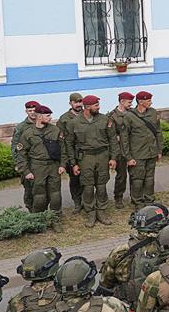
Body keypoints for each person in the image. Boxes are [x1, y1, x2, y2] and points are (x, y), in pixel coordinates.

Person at [64, 95, 119, 227]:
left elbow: (113, 139)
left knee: (101, 186)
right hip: (85, 158)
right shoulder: (74, 123)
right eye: (96, 105)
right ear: (87, 107)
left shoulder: (105, 119)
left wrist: (113, 158)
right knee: (88, 187)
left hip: (102, 155)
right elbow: (69, 144)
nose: (98, 107)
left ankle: (101, 211)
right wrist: (73, 163)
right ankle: (91, 213)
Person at [14, 105, 65, 217]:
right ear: (40, 117)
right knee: (39, 195)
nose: (50, 118)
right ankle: (39, 219)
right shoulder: (28, 133)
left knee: (55, 195)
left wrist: (62, 165)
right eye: (48, 116)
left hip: (53, 166)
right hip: (37, 167)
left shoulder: (55, 130)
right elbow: (21, 154)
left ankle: (55, 218)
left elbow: (63, 149)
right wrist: (26, 171)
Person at [122, 92, 162, 204]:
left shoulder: (153, 113)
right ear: (140, 102)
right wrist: (128, 157)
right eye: (148, 100)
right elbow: (124, 139)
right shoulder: (129, 116)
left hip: (151, 152)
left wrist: (159, 150)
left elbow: (158, 132)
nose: (151, 103)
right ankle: (137, 201)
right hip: (137, 154)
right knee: (137, 179)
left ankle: (149, 199)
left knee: (150, 178)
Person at [58, 93, 85, 211]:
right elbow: (61, 140)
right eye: (76, 102)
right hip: (71, 153)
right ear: (70, 103)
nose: (79, 105)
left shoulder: (87, 114)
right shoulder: (64, 119)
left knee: (87, 178)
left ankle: (87, 200)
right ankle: (77, 202)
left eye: (80, 102)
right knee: (75, 180)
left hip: (86, 153)